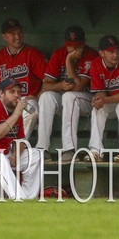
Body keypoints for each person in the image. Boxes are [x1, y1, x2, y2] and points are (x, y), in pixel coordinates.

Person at [35, 25, 99, 163]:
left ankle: (69, 149)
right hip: (67, 101)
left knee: (70, 96)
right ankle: (42, 148)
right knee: (46, 97)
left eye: (76, 45)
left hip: (88, 101)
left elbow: (78, 87)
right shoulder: (58, 53)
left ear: (83, 43)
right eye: (70, 45)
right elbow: (45, 85)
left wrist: (69, 61)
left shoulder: (91, 55)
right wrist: (60, 85)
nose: (73, 49)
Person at [85, 35, 119, 163]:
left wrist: (104, 100)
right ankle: (95, 151)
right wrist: (99, 100)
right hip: (111, 100)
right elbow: (101, 91)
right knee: (97, 109)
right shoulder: (96, 64)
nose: (115, 55)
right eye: (111, 52)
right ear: (101, 53)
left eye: (117, 51)